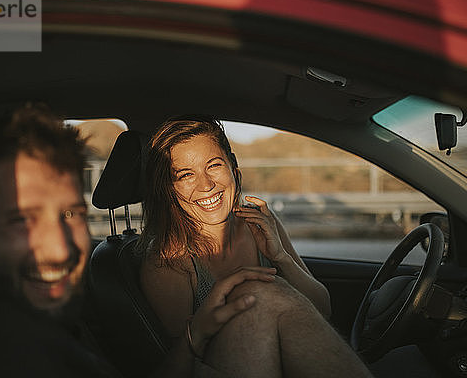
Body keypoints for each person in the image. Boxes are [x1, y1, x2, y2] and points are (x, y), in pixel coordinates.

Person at [0, 105, 277, 378]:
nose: (60, 247)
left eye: (70, 214)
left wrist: (197, 333)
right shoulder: (0, 355)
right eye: (23, 220)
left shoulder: (42, 332)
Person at [139, 116, 372, 377]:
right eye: (185, 175)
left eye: (214, 165)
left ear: (232, 169)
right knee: (257, 292)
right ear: (168, 190)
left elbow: (323, 309)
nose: (206, 185)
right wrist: (203, 328)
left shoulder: (259, 224)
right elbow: (179, 366)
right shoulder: (168, 262)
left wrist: (281, 258)